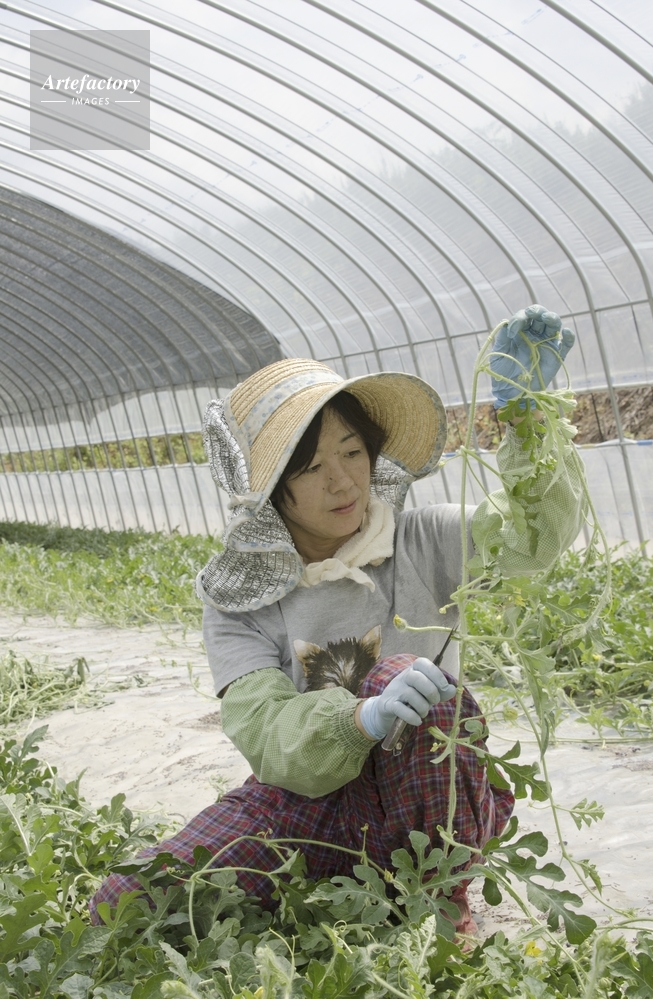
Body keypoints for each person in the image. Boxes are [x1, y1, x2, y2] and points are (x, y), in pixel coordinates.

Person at [90, 305, 584, 935]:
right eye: (311, 468)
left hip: (430, 797)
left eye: (352, 452)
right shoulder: (240, 598)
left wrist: (530, 422)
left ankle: (438, 898)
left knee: (414, 684)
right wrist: (360, 719)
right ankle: (348, 885)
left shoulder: (422, 539)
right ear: (271, 491)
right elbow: (265, 732)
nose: (344, 481)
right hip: (309, 803)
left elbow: (532, 540)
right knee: (126, 902)